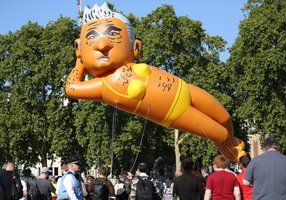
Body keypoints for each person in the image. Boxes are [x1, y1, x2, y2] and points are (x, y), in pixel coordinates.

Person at [65, 1, 246, 163]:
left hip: (185, 89)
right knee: (220, 134)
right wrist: (79, 61)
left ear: (136, 47)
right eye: (91, 38)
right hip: (176, 112)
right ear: (80, 47)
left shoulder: (121, 71)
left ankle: (233, 144)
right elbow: (72, 88)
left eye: (113, 34)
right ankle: (236, 154)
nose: (102, 44)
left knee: (225, 118)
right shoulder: (103, 86)